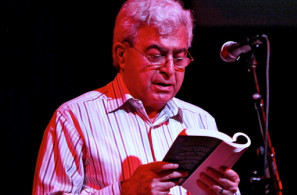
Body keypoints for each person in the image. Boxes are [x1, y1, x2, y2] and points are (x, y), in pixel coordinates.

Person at [32, 0, 241, 194]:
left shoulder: (201, 121)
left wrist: (226, 191)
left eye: (179, 57)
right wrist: (125, 191)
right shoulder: (74, 118)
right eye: (155, 55)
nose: (169, 69)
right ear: (122, 55)